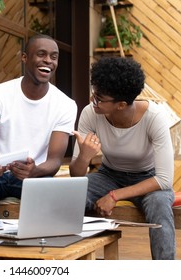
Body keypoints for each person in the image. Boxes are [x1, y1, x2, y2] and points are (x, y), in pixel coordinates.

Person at [69, 57, 175, 260]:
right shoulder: (90, 113)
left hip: (148, 179)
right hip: (109, 175)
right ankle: (68, 262)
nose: (93, 101)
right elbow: (76, 176)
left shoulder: (154, 118)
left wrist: (115, 195)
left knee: (160, 206)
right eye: (94, 93)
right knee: (72, 194)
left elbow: (164, 180)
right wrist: (84, 156)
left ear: (121, 104)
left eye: (100, 98)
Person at [0, 34, 78, 219]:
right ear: (25, 58)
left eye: (54, 56)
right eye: (41, 54)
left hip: (33, 176)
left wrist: (35, 171)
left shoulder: (66, 104)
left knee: (48, 187)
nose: (48, 61)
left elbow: (54, 161)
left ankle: (36, 243)